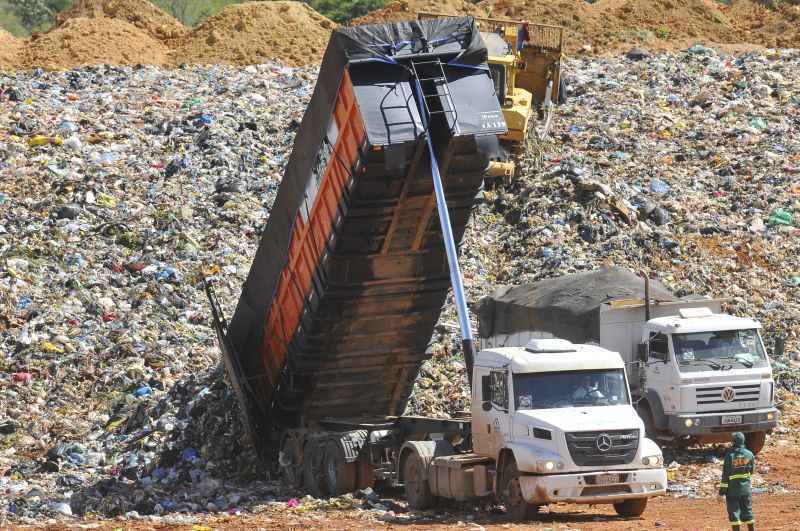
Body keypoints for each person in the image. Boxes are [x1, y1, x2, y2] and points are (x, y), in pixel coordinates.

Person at [719, 432, 756, 530]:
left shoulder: (729, 456)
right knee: (748, 511)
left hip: (733, 490)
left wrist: (722, 492)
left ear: (733, 442)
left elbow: (725, 476)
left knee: (734, 513)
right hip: (746, 489)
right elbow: (751, 471)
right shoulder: (750, 454)